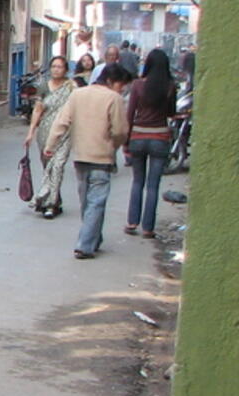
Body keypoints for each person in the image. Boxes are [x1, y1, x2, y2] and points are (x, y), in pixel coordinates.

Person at [46, 63, 131, 260]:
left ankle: (94, 238)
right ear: (111, 81)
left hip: (81, 157)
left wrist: (50, 145)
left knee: (87, 201)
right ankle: (85, 245)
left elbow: (61, 121)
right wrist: (113, 146)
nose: (123, 89)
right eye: (121, 85)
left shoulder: (78, 94)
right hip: (102, 157)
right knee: (96, 202)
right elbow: (120, 131)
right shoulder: (114, 98)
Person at [124, 48, 178, 238]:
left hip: (138, 137)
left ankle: (132, 223)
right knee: (153, 185)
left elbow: (129, 115)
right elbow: (171, 113)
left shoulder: (138, 85)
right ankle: (148, 228)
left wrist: (125, 142)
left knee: (137, 181)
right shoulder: (170, 86)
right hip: (160, 138)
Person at [24, 55, 76, 219]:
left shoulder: (71, 87)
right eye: (53, 66)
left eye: (60, 67)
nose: (56, 69)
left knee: (58, 166)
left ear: (66, 69)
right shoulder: (43, 87)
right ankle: (55, 198)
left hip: (64, 133)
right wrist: (31, 132)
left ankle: (50, 204)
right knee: (49, 168)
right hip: (45, 133)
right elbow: (38, 110)